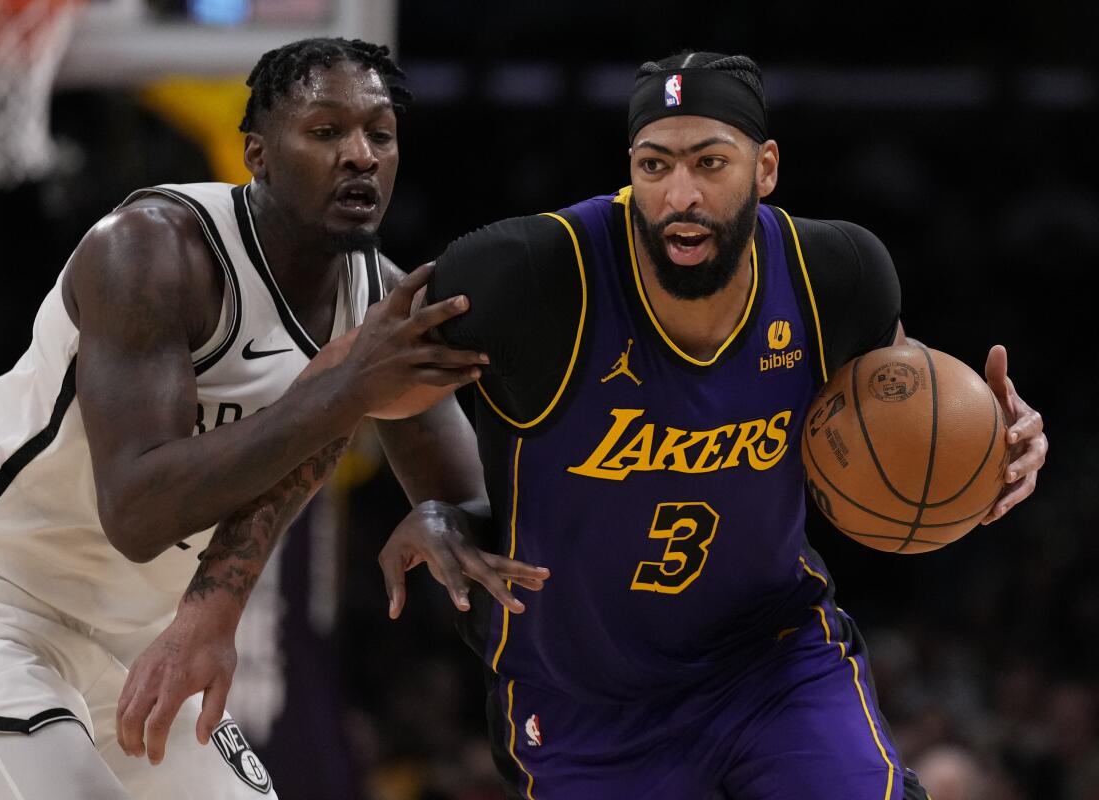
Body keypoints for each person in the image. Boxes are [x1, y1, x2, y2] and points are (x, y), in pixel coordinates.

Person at [378, 51, 1048, 799]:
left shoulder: (836, 274)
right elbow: (372, 378)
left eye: (710, 162)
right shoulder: (535, 273)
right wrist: (442, 503)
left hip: (767, 661)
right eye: (655, 165)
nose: (680, 193)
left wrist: (998, 439)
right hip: (583, 695)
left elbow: (904, 404)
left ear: (764, 169)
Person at [0, 37, 546, 800]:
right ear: (257, 155)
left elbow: (471, 505)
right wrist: (343, 390)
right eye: (326, 131)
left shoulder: (381, 305)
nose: (360, 155)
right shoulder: (149, 254)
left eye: (379, 133)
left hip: (134, 639)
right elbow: (138, 514)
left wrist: (442, 520)